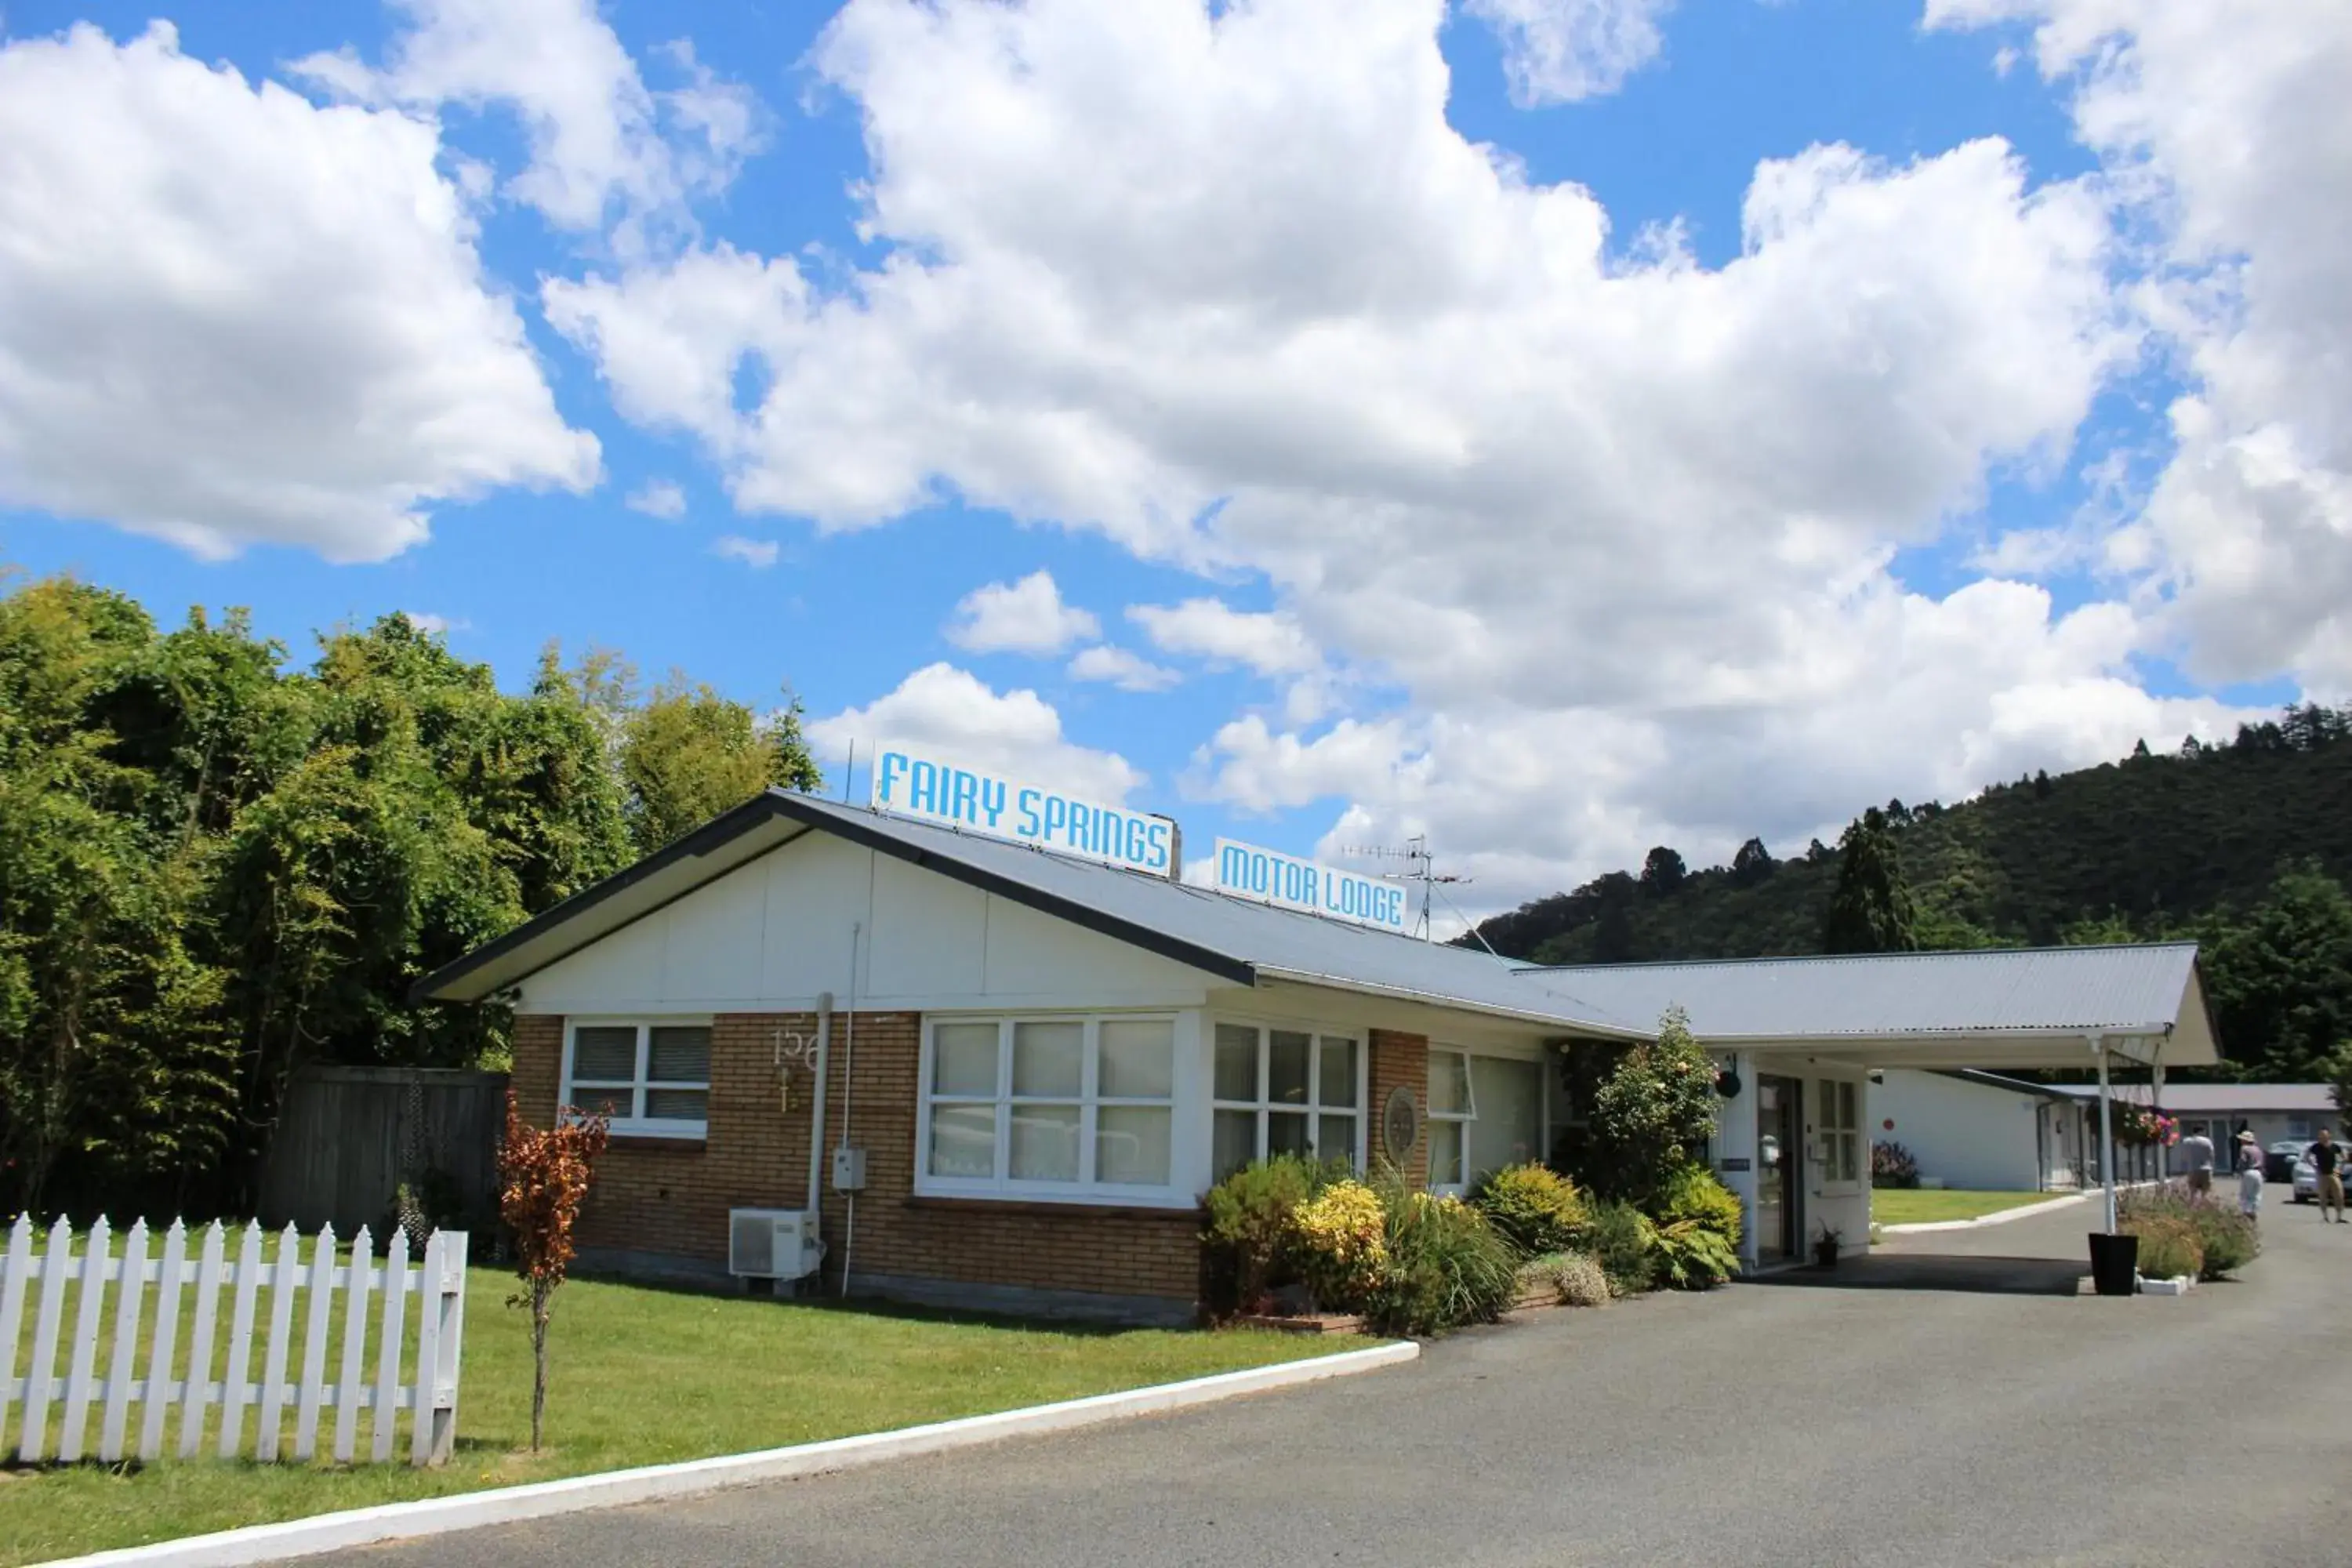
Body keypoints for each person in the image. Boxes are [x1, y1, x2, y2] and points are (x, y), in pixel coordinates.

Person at [2309, 1129, 2345, 1223]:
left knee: (2339, 1195)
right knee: (2323, 1197)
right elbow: (2307, 1156)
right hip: (2322, 1174)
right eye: (2321, 1135)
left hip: (2334, 1174)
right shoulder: (2316, 1147)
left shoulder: (2334, 1147)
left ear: (2329, 1136)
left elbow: (2344, 1158)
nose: (2323, 1137)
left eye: (2325, 1135)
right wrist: (2314, 1166)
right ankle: (2325, 1217)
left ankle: (2339, 1217)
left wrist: (2339, 1169)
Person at [2235, 1129, 2263, 1219]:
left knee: (2245, 1194)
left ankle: (2247, 1213)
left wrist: (2240, 1171)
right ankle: (2254, 1211)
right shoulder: (2258, 1149)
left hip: (2249, 1171)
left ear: (2244, 1140)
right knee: (2256, 1194)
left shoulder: (2244, 1148)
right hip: (2258, 1172)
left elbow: (2243, 1161)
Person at [2180, 1126, 2216, 1196]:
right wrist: (2212, 1167)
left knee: (2193, 1192)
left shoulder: (2187, 1141)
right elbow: (2211, 1155)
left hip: (2193, 1169)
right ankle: (2204, 1204)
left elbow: (2184, 1157)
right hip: (2206, 1169)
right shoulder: (2207, 1141)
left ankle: (2192, 1205)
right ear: (2201, 1132)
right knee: (2205, 1193)